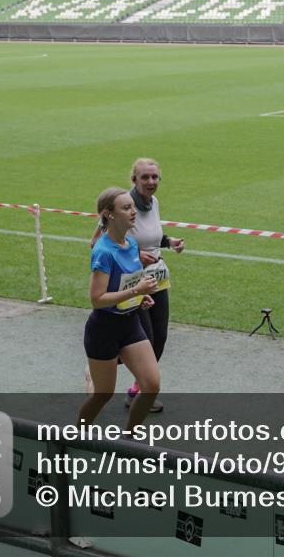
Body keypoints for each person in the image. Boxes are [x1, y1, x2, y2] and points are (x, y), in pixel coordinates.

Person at [89, 158, 184, 412]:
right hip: (131, 282)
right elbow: (96, 242)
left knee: (159, 339)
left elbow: (151, 236)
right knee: (144, 340)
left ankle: (135, 391)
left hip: (156, 278)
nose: (151, 182)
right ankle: (98, 366)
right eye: (145, 177)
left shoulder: (154, 203)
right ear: (134, 180)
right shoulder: (120, 205)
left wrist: (169, 242)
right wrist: (135, 255)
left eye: (155, 177)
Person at [78, 187, 160, 431]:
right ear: (109, 214)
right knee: (103, 395)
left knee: (151, 386)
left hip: (130, 323)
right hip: (104, 329)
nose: (133, 211)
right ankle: (74, 436)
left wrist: (140, 297)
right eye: (126, 208)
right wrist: (136, 291)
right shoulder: (103, 252)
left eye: (132, 207)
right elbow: (97, 299)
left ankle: (130, 437)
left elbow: (126, 284)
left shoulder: (131, 244)